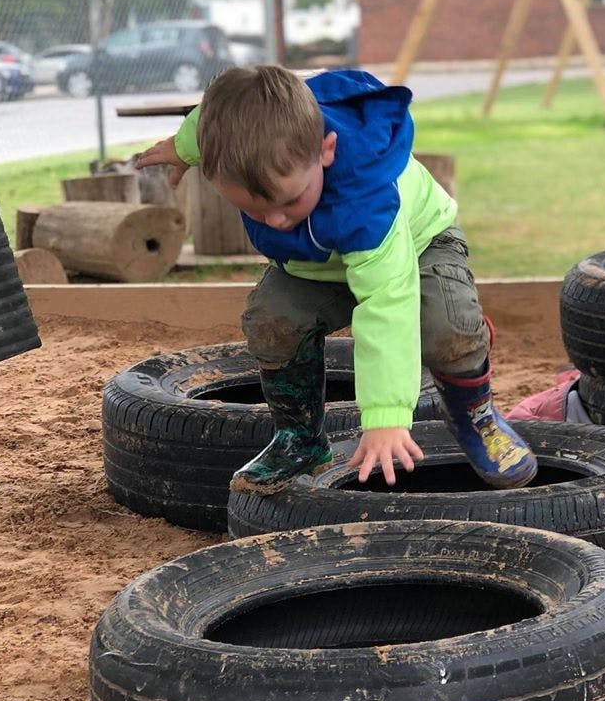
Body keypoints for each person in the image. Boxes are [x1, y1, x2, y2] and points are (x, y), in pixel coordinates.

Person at [136, 65, 537, 494]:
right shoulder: (240, 145)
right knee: (272, 320)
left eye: (290, 200)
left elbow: (387, 301)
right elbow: (211, 121)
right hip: (318, 265)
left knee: (446, 331)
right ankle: (299, 439)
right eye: (255, 210)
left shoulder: (366, 203)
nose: (276, 221)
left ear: (326, 150)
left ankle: (476, 419)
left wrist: (385, 417)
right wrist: (184, 148)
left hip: (418, 246)